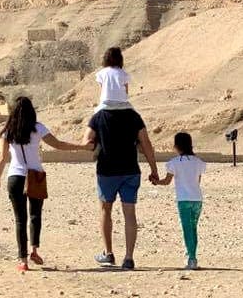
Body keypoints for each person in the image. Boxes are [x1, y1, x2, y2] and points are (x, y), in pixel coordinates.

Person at [0, 96, 92, 272]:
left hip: (15, 177)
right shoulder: (38, 128)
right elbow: (59, 145)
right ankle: (34, 250)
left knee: (19, 219)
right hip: (35, 175)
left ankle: (23, 261)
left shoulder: (8, 131)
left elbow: (2, 158)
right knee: (35, 215)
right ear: (32, 111)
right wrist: (83, 147)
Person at [85, 102, 159, 270]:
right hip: (130, 170)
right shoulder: (134, 116)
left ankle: (108, 253)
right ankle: (128, 258)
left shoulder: (98, 116)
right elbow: (146, 143)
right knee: (130, 213)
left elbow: (87, 141)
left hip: (106, 171)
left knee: (105, 210)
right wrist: (154, 169)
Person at [153, 132, 206, 270]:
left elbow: (166, 181)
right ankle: (192, 255)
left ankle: (192, 259)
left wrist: (156, 182)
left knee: (187, 229)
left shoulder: (173, 163)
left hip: (183, 200)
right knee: (193, 228)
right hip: (197, 199)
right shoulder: (199, 162)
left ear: (176, 146)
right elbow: (197, 181)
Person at [95, 47, 132, 111]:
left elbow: (102, 90)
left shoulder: (101, 73)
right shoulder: (123, 73)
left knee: (95, 118)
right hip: (122, 104)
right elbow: (126, 92)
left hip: (105, 105)